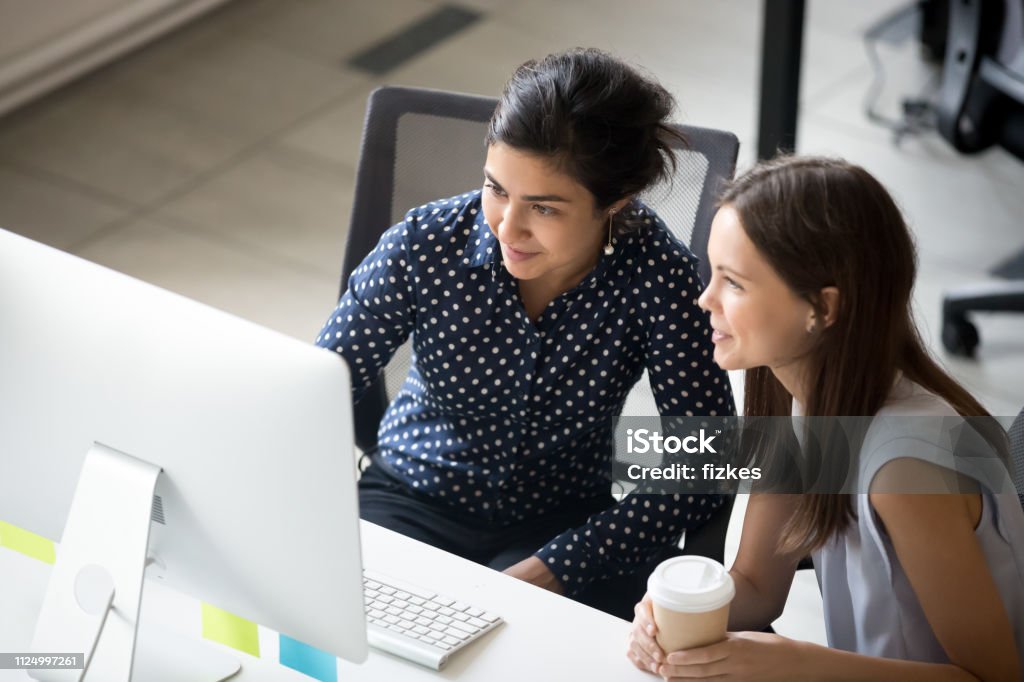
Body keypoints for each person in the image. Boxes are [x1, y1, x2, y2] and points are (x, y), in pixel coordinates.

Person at [315, 48, 735, 619]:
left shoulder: (658, 275)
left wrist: (567, 562)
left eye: (544, 207)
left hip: (562, 523)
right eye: (497, 189)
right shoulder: (424, 244)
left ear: (616, 201)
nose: (507, 227)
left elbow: (706, 461)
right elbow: (315, 392)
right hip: (411, 497)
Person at [627, 155, 1024, 680]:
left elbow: (994, 677)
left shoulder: (904, 471)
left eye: (734, 283)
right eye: (712, 273)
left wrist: (797, 663)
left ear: (822, 309)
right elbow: (757, 588)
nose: (705, 299)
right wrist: (666, 616)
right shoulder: (791, 391)